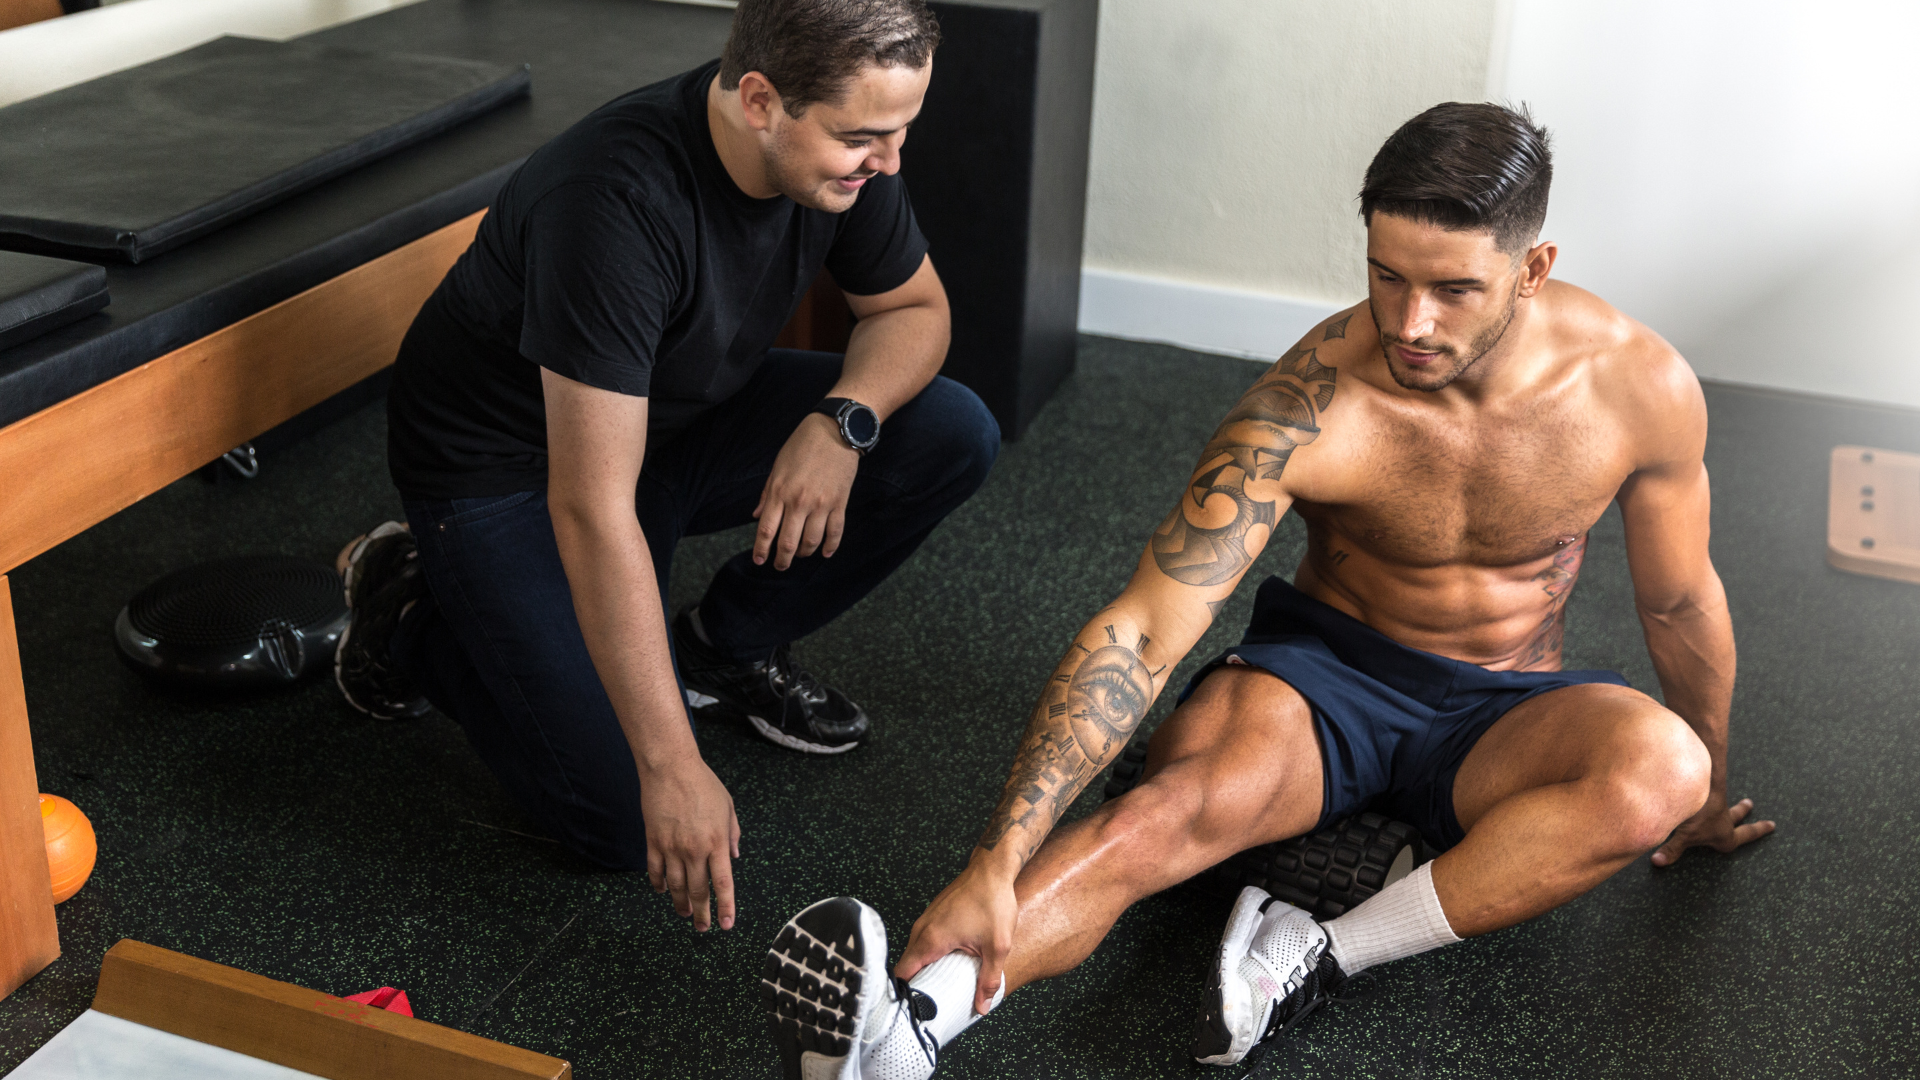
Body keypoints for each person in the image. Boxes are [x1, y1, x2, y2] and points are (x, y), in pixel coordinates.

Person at [760, 102, 1776, 1078]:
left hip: (1506, 705)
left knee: (1665, 769)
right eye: (1387, 277)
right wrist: (996, 853)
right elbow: (1146, 629)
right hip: (1325, 681)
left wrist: (1712, 791)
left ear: (1534, 270)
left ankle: (1325, 954)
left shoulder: (1639, 388)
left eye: (1454, 289)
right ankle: (911, 1029)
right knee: (1165, 812)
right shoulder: (1308, 407)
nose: (1412, 323)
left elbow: (1679, 603)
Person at [332, 0, 999, 934]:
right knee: (616, 819)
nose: (889, 163)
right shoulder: (613, 202)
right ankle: (410, 606)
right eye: (864, 138)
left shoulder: (851, 155)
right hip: (506, 474)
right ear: (762, 101)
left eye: (899, 133)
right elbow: (590, 506)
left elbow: (915, 312)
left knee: (949, 430)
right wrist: (671, 765)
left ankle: (725, 648)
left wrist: (840, 423)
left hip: (673, 420)